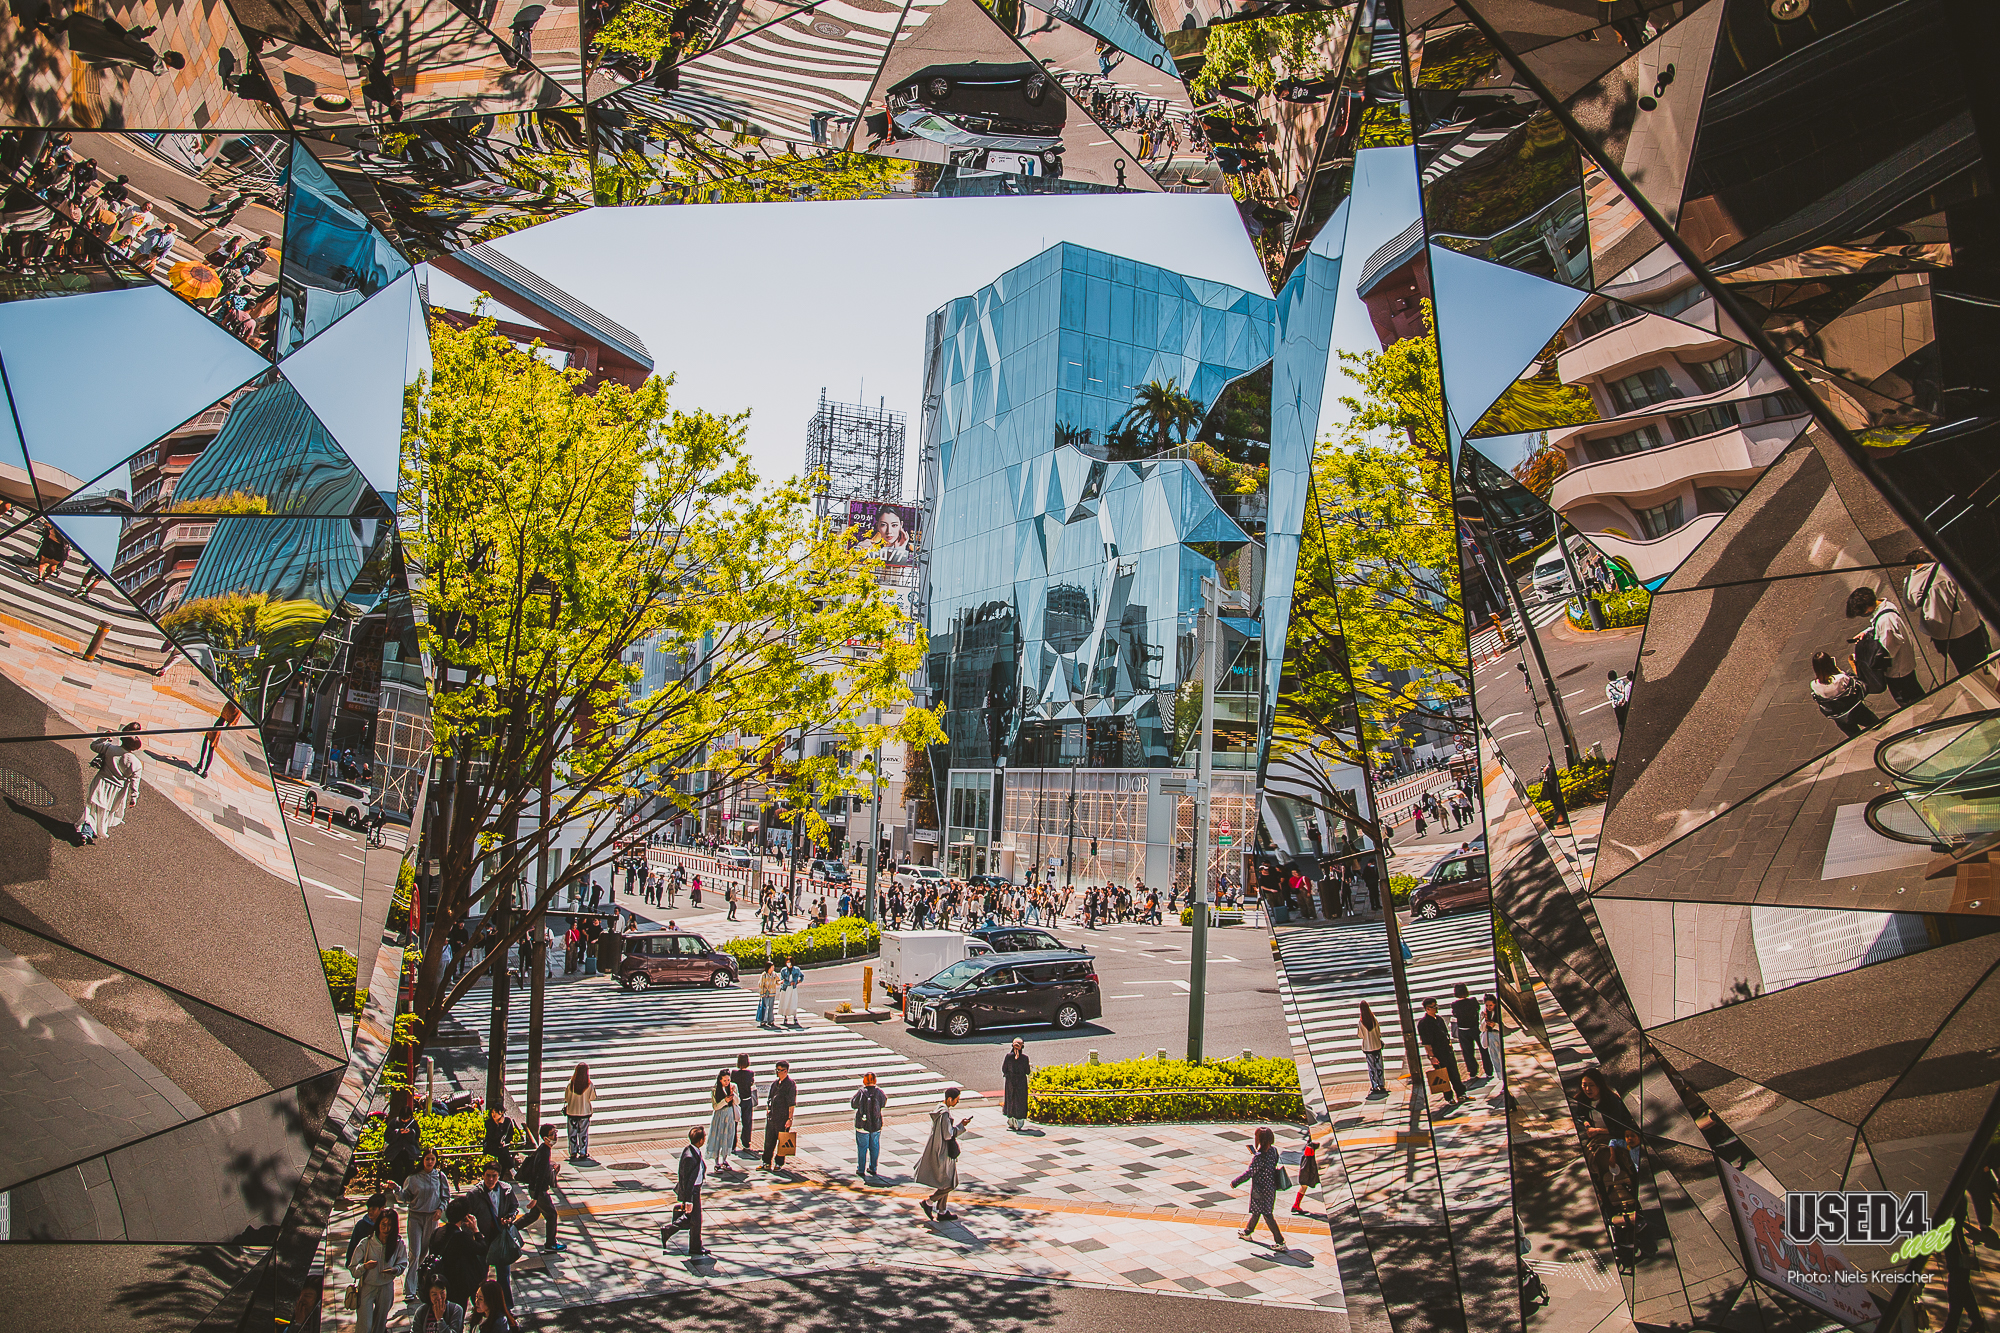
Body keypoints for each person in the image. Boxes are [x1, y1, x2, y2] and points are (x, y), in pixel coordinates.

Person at [1906, 550, 1991, 677]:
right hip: (1971, 624)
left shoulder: (1911, 583)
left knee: (1967, 670)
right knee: (1988, 660)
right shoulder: (1949, 568)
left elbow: (1911, 605)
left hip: (1946, 634)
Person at [1847, 585, 1924, 708]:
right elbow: (1878, 626)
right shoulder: (1886, 607)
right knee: (1915, 691)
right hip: (1904, 665)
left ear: (1867, 608)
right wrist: (1866, 632)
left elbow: (1886, 651)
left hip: (1898, 670)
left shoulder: (1885, 621)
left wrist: (1863, 655)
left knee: (1909, 699)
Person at [76, 724, 143, 844]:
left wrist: (104, 737)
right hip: (117, 790)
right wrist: (134, 797)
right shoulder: (136, 763)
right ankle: (92, 830)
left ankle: (87, 831)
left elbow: (94, 746)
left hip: (101, 781)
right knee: (105, 810)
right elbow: (135, 782)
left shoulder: (110, 749)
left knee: (92, 807)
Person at [400, 1148, 450, 1300]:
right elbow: (405, 1197)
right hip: (416, 1216)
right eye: (427, 1159)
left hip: (432, 1217)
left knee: (425, 1252)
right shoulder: (413, 1178)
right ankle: (409, 1289)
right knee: (414, 1252)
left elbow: (445, 1196)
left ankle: (419, 1283)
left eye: (432, 1159)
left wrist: (441, 1210)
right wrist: (395, 1190)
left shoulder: (440, 1176)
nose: (429, 1162)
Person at [348, 1206, 407, 1332]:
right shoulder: (366, 1243)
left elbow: (403, 1264)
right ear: (378, 1224)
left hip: (386, 1287)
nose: (386, 1228)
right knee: (365, 1326)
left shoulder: (398, 1244)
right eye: (383, 1224)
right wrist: (365, 1266)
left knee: (380, 1326)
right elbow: (353, 1268)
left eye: (390, 1225)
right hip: (367, 1287)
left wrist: (394, 1270)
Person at [915, 1087, 970, 1220]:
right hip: (943, 1152)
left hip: (937, 1149)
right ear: (950, 1099)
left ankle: (942, 1211)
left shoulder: (939, 1109)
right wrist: (961, 1126)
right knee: (950, 1183)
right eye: (956, 1100)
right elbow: (948, 1135)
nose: (957, 1102)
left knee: (946, 1181)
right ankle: (929, 1202)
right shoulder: (945, 1114)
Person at [1232, 1126, 1285, 1249]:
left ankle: (1280, 1241)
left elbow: (1250, 1172)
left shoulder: (1259, 1156)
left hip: (1260, 1189)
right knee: (1257, 1211)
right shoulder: (1274, 1151)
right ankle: (1247, 1232)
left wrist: (1235, 1182)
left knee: (1267, 1214)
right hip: (1271, 1187)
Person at [515, 1123, 564, 1254]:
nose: (555, 1136)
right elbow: (540, 1176)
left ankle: (511, 1228)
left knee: (534, 1215)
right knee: (552, 1215)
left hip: (536, 1189)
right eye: (552, 1134)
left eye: (555, 1132)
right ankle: (550, 1244)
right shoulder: (544, 1152)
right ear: (545, 1137)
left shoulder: (544, 1149)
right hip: (539, 1190)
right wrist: (536, 1198)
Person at [663, 1125, 708, 1259]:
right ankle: (669, 1231)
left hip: (695, 1190)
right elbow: (686, 1180)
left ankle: (695, 1246)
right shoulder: (689, 1156)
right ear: (700, 1140)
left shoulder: (693, 1151)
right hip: (692, 1192)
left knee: (693, 1220)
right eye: (704, 1137)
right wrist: (688, 1200)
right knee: (695, 1220)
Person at [1809, 650, 1878, 739]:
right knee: (1876, 724)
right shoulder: (1840, 678)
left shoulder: (1814, 685)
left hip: (1840, 718)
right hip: (1856, 710)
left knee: (1856, 737)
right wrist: (1839, 671)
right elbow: (1853, 682)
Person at [437, 1202, 489, 1309]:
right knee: (457, 1316)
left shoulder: (437, 1232)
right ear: (464, 1217)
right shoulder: (462, 1238)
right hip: (458, 1286)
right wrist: (475, 1230)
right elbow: (482, 1249)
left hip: (440, 1281)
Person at [1417, 997, 1465, 1102]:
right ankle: (1449, 1097)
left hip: (1447, 1050)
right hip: (1437, 1052)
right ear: (1427, 1008)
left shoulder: (1439, 1019)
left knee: (1454, 1072)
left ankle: (1460, 1093)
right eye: (1433, 1007)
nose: (1435, 1008)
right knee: (1442, 1075)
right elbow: (1426, 1042)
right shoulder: (1423, 1024)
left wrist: (1449, 1044)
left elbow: (1445, 1033)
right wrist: (1431, 1056)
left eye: (1436, 1006)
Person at [762, 1059, 797, 1169]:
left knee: (783, 1140)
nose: (778, 1072)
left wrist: (790, 1118)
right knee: (769, 1140)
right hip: (772, 1116)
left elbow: (791, 1103)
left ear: (786, 1071)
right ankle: (766, 1161)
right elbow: (770, 1098)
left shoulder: (790, 1085)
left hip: (783, 1117)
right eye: (777, 1070)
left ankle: (779, 1162)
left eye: (780, 1070)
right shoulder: (775, 1084)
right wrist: (768, 1109)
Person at [850, 1071, 886, 1178]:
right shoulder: (879, 1093)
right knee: (874, 1146)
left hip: (862, 1124)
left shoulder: (861, 1092)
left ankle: (861, 1169)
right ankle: (873, 1167)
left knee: (862, 1147)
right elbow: (883, 1102)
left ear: (864, 1081)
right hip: (876, 1124)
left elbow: (853, 1104)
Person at [384, 1094, 422, 1183]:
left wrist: (410, 1133)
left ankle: (408, 1186)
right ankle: (398, 1186)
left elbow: (416, 1138)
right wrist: (397, 1132)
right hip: (396, 1151)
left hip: (409, 1151)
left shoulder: (414, 1124)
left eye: (407, 1118)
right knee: (397, 1170)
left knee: (410, 1169)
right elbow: (387, 1137)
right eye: (403, 1119)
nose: (405, 1121)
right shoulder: (394, 1122)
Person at [707, 1069, 740, 1172]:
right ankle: (716, 1161)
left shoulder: (733, 1087)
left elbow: (738, 1101)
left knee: (728, 1136)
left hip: (729, 1114)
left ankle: (725, 1159)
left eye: (728, 1080)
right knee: (718, 1137)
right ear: (720, 1080)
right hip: (720, 1115)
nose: (727, 1082)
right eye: (724, 1080)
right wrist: (725, 1101)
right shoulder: (715, 1090)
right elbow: (715, 1106)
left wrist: (733, 1094)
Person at [1451, 983, 1484, 1081]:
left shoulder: (1455, 1004)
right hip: (1474, 1027)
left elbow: (1455, 1015)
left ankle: (1473, 1071)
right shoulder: (1473, 1001)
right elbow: (1477, 1010)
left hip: (1463, 1030)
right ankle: (1488, 1069)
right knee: (1483, 1048)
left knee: (1467, 1052)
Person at [563, 1062, 595, 1163]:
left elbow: (566, 1099)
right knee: (583, 1132)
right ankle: (583, 1151)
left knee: (572, 1132)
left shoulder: (570, 1084)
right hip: (584, 1112)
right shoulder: (589, 1085)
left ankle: (573, 1151)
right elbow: (592, 1097)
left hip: (572, 1112)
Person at [1001, 1038, 1032, 1131]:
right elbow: (1027, 1071)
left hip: (1010, 1081)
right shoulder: (1025, 1058)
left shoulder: (1008, 1057)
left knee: (1010, 1100)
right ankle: (1019, 1124)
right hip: (1021, 1082)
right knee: (1020, 1102)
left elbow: (1004, 1069)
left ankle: (1011, 1122)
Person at [1358, 1001, 1386, 1095]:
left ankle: (1374, 1085)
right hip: (1377, 1045)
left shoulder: (1361, 1022)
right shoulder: (1373, 1019)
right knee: (1379, 1065)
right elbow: (1378, 1031)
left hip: (1368, 1047)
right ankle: (1381, 1083)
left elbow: (1360, 1035)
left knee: (1371, 1066)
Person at [482, 1106, 517, 1180]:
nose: (493, 1115)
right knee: (503, 1152)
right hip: (491, 1146)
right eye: (492, 1112)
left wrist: (505, 1141)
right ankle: (511, 1169)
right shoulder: (489, 1123)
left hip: (502, 1147)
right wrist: (500, 1125)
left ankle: (500, 1178)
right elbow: (493, 1137)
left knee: (503, 1154)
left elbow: (510, 1134)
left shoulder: (507, 1121)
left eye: (495, 1113)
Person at [732, 1053, 756, 1153]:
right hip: (747, 1099)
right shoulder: (750, 1073)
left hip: (736, 1101)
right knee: (747, 1122)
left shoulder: (733, 1073)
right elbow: (751, 1084)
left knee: (734, 1122)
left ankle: (732, 1144)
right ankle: (746, 1143)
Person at [1290, 1135, 1319, 1215]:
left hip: (1311, 1159)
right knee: (1304, 1184)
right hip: (1310, 1160)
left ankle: (1296, 1205)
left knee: (1304, 1184)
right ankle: (1296, 1205)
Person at [1481, 995, 1505, 1085]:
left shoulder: (1498, 1012)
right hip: (1490, 1036)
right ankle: (1501, 1078)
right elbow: (1481, 1028)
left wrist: (1495, 1025)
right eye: (1487, 1005)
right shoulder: (1484, 1013)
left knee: (1501, 1057)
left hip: (1498, 1035)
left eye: (1490, 1005)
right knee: (1495, 1058)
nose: (1488, 1007)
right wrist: (1485, 1020)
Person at [776, 954, 804, 1026]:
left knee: (793, 1002)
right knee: (785, 1002)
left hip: (793, 988)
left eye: (789, 962)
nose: (788, 964)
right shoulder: (783, 970)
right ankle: (785, 1017)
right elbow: (782, 979)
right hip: (785, 988)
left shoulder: (796, 970)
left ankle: (794, 1016)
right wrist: (788, 982)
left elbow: (802, 976)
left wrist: (799, 981)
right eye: (787, 962)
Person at [756, 962, 779, 1028]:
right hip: (765, 993)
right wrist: (762, 994)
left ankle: (770, 1020)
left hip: (772, 993)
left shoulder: (774, 974)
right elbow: (761, 984)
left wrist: (780, 982)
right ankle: (763, 1021)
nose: (773, 968)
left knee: (771, 1007)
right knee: (765, 1007)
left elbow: (777, 981)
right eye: (772, 967)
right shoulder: (764, 975)